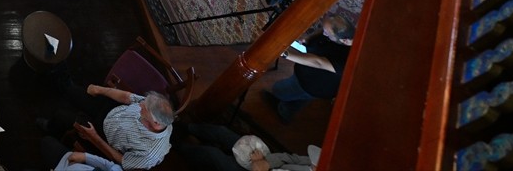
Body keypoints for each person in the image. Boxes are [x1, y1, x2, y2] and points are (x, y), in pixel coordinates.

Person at [39, 83, 174, 169]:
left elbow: (122, 161)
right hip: (111, 110)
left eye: (144, 108)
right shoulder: (152, 108)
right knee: (73, 91)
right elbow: (128, 97)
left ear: (156, 123)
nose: (140, 104)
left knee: (62, 116)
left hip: (102, 135)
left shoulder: (149, 154)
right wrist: (100, 90)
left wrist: (94, 137)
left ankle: (51, 127)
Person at [268, 16, 355, 123]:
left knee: (279, 89)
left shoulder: (347, 61)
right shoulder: (346, 34)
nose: (324, 34)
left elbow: (318, 62)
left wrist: (284, 53)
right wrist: (309, 37)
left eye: (327, 33)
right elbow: (323, 30)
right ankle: (288, 110)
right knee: (299, 100)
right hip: (309, 74)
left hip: (313, 84)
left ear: (344, 41)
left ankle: (283, 110)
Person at [172, 122, 319, 171]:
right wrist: (266, 162)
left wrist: (258, 166)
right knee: (221, 132)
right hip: (264, 162)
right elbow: (289, 158)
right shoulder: (314, 163)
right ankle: (186, 127)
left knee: (212, 154)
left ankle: (177, 146)